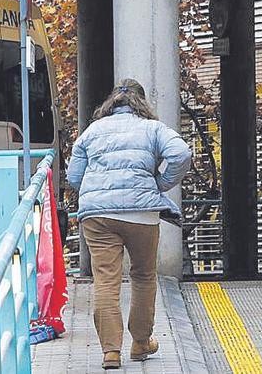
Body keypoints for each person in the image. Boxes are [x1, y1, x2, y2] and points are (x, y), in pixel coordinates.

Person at [67, 79, 192, 370]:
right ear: (142, 103)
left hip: (98, 217)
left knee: (106, 281)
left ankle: (111, 352)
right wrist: (160, 184)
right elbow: (181, 154)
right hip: (142, 215)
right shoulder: (153, 128)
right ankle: (140, 343)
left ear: (112, 103)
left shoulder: (92, 131)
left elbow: (75, 177)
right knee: (144, 276)